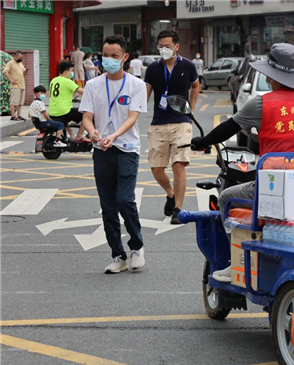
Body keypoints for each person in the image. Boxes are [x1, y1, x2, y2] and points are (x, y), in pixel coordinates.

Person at [191, 43, 294, 282]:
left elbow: (228, 128)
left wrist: (202, 141)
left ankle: (237, 262)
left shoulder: (262, 103)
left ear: (272, 76)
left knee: (226, 198)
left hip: (275, 188)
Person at [79, 35, 147, 274]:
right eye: (105, 55)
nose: (108, 60)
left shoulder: (136, 85)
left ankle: (136, 247)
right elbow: (87, 117)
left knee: (124, 200)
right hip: (101, 150)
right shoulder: (93, 85)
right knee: (108, 207)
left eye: (114, 56)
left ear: (124, 57)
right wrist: (93, 132)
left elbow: (132, 117)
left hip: (127, 149)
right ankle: (118, 256)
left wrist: (114, 135)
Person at [145, 30, 201, 225]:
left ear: (176, 47)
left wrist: (191, 110)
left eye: (167, 46)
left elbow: (196, 85)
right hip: (158, 122)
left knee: (179, 164)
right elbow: (145, 94)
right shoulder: (153, 68)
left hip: (182, 122)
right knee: (156, 168)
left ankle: (178, 209)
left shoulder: (188, 65)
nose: (163, 49)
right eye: (160, 46)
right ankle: (170, 193)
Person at [49, 61, 86, 140]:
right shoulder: (68, 81)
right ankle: (79, 135)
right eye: (71, 71)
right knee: (86, 115)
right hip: (64, 112)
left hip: (52, 112)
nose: (72, 73)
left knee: (66, 119)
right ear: (66, 72)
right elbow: (83, 92)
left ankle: (71, 135)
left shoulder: (53, 80)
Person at [3, 51, 27, 121]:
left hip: (22, 85)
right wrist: (11, 79)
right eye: (19, 57)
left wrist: (25, 72)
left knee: (20, 102)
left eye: (21, 58)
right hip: (15, 85)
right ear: (15, 56)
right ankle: (13, 116)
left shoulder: (20, 63)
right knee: (14, 101)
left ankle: (19, 115)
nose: (20, 59)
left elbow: (23, 72)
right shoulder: (10, 63)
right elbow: (5, 71)